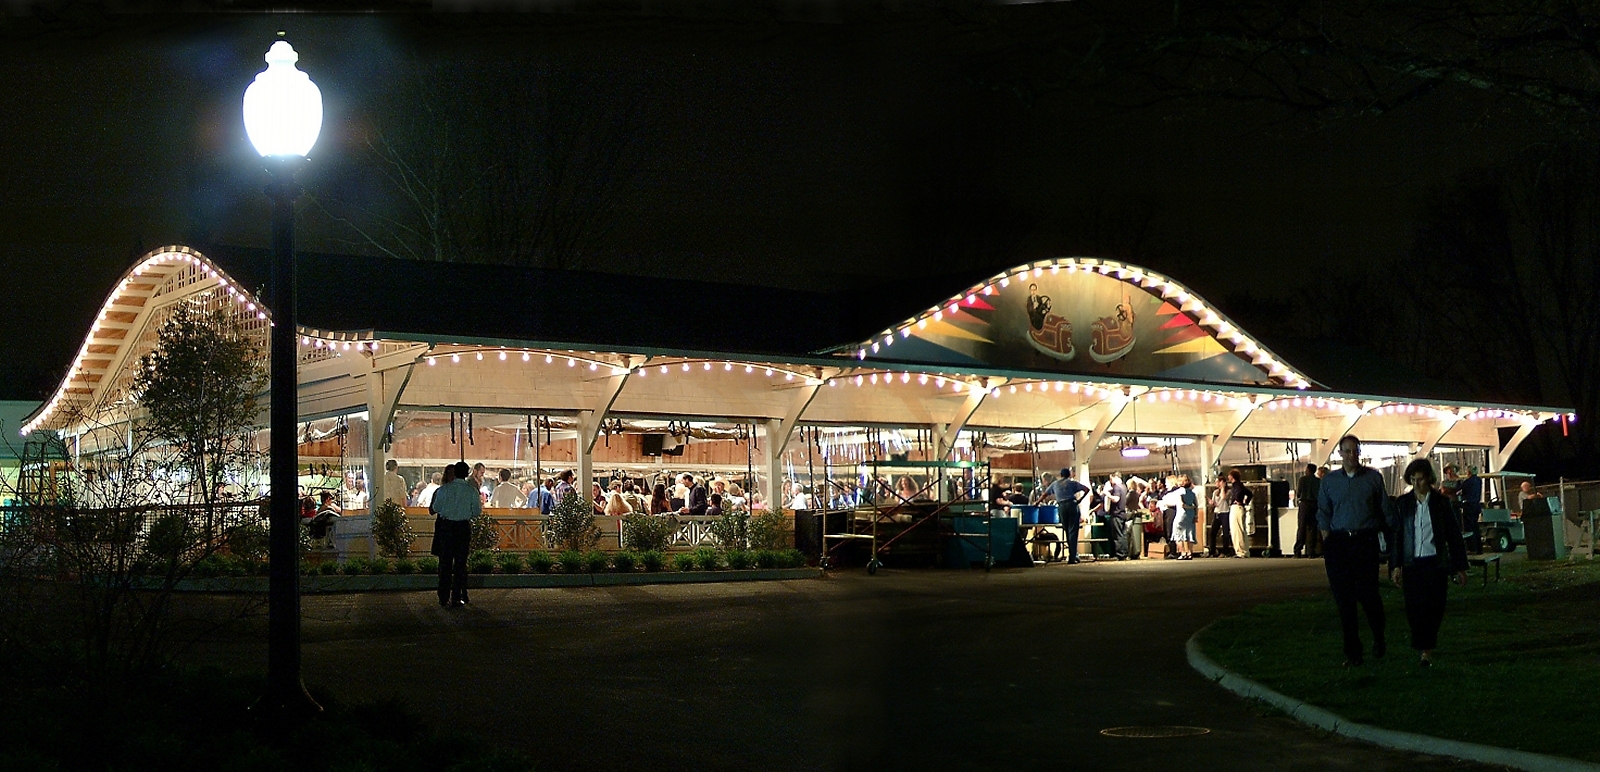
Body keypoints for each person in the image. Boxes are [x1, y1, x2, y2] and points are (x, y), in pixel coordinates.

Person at [1317, 435, 1391, 667]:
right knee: (1344, 601)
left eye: (1354, 451)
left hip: (1364, 541)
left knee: (1369, 596)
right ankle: (1353, 653)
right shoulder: (1329, 481)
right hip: (1339, 543)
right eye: (1347, 452)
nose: (1351, 456)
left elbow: (1384, 510)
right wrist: (1327, 536)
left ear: (1360, 452)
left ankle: (1378, 637)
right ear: (1340, 454)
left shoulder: (1373, 478)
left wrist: (1390, 539)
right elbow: (1323, 511)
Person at [1390, 458, 1470, 667]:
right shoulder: (1403, 504)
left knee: (1435, 607)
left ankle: (1426, 649)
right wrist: (1396, 565)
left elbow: (1453, 535)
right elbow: (1398, 536)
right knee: (1415, 608)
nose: (1417, 484)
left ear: (1429, 480)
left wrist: (1460, 566)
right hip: (1412, 563)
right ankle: (1423, 647)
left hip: (1435, 563)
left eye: (1421, 479)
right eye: (1413, 480)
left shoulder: (1441, 503)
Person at [431, 461, 480, 608]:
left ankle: (443, 596)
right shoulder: (471, 491)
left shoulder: (443, 490)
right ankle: (456, 597)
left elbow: (436, 507)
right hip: (463, 527)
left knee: (445, 563)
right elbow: (476, 512)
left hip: (447, 527)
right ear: (466, 474)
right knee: (460, 563)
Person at [1046, 469, 1091, 564]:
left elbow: (1045, 494)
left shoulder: (1055, 484)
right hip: (1072, 505)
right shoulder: (1072, 483)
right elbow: (1087, 489)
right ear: (1069, 475)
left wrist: (1037, 503)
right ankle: (1073, 556)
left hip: (1061, 507)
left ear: (1061, 475)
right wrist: (1080, 500)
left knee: (1067, 531)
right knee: (1073, 531)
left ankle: (1073, 555)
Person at [1294, 464, 1324, 558]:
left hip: (1304, 505)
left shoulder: (1302, 480)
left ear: (1308, 470)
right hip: (1314, 505)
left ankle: (1298, 550)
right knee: (1312, 528)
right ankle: (1311, 551)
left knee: (1301, 528)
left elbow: (1298, 493)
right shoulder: (1318, 481)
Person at [1226, 469, 1254, 558]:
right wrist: (1246, 501)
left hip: (1236, 507)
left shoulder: (1236, 485)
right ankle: (1245, 551)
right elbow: (1250, 494)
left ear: (1232, 476)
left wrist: (1238, 500)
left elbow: (1239, 493)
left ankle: (1240, 551)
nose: (1228, 477)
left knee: (1236, 530)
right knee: (1241, 529)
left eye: (1229, 475)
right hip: (1239, 507)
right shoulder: (1240, 485)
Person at [1170, 475, 1199, 560]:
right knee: (1189, 533)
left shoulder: (1179, 492)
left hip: (1181, 515)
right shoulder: (1192, 493)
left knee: (1177, 534)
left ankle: (1183, 552)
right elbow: (1196, 505)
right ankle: (1189, 552)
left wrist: (1188, 507)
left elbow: (1182, 504)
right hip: (1191, 515)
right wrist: (1195, 514)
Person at [1102, 473, 1129, 560]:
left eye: (1111, 479)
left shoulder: (1117, 488)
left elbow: (1116, 499)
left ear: (1115, 477)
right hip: (1123, 513)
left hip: (1116, 514)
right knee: (1123, 534)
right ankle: (1124, 553)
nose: (1110, 482)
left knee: (1117, 535)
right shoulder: (1124, 487)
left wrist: (1107, 494)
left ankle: (1119, 554)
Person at [1457, 467, 1484, 553]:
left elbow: (1460, 489)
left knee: (1469, 528)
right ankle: (1479, 548)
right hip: (1476, 505)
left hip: (1469, 506)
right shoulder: (1479, 481)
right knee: (1476, 527)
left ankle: (1471, 547)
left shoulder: (1467, 482)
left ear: (1469, 472)